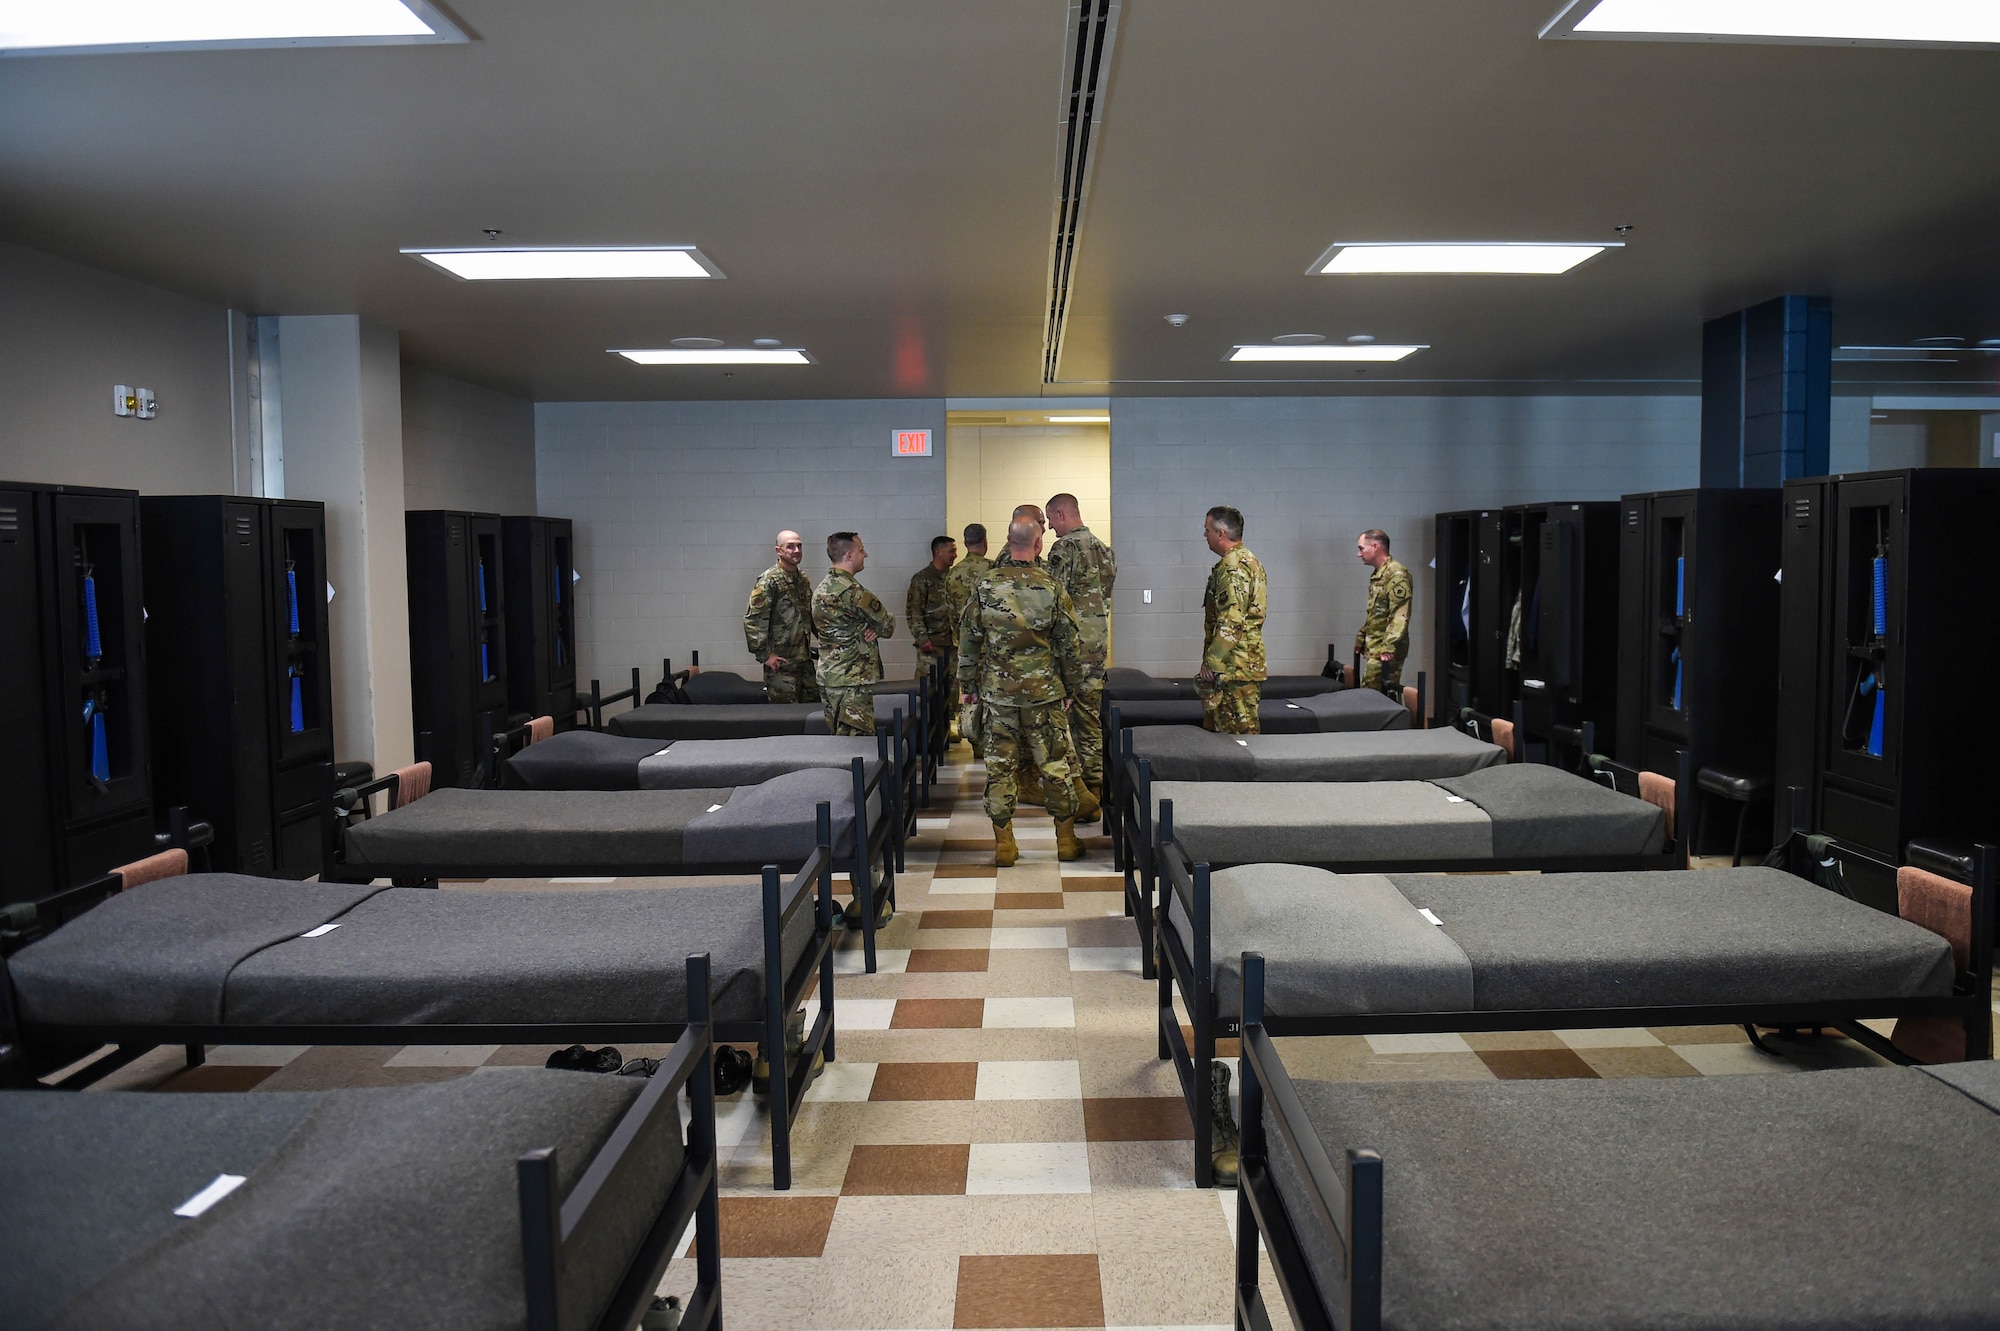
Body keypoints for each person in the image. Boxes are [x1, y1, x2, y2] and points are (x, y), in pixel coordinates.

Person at [958, 518, 1088, 867]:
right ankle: (1066, 841)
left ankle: (1004, 845)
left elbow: (969, 640)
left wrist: (967, 686)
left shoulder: (986, 586)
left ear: (1008, 540)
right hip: (1044, 695)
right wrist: (1071, 687)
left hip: (998, 696)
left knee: (1000, 769)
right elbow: (1070, 645)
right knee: (1055, 765)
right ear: (1038, 543)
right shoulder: (1052, 586)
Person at [1045, 492, 1116, 819]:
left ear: (1062, 513)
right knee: (1090, 719)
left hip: (1072, 648)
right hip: (1098, 645)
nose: (1050, 528)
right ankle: (1096, 787)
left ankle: (1080, 795)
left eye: (1050, 520)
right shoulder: (1104, 549)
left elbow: (1053, 601)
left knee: (1067, 721)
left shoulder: (1065, 549)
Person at [812, 531, 894, 737]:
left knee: (838, 743)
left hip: (829, 678)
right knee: (858, 745)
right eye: (861, 550)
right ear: (849, 555)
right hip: (852, 681)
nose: (865, 554)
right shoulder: (855, 593)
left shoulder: (820, 589)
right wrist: (874, 627)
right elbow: (887, 625)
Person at [1198, 505, 1267, 734]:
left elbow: (1232, 621)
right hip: (1241, 663)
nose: (1204, 534)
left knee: (1237, 739)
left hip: (1233, 668)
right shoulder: (1249, 561)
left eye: (1207, 529)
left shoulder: (1233, 567)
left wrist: (1212, 662)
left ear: (1221, 533)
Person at [742, 529, 818, 702]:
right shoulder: (769, 581)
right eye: (790, 547)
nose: (797, 550)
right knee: (787, 717)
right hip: (781, 664)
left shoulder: (802, 579)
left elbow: (811, 614)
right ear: (778, 551)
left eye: (799, 546)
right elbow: (753, 619)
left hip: (804, 661)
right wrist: (764, 656)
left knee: (812, 711)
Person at [944, 523, 995, 747]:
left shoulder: (952, 574)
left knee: (970, 698)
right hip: (992, 648)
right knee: (992, 698)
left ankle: (975, 742)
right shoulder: (994, 570)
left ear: (964, 543)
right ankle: (989, 746)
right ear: (985, 542)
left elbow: (951, 614)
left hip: (965, 648)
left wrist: (960, 640)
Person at [1354, 528, 1412, 694]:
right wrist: (1362, 637)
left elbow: (1400, 614)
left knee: (1374, 696)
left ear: (1376, 546)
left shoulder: (1396, 573)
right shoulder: (1380, 573)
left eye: (1361, 548)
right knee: (1370, 692)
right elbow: (1376, 613)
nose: (1359, 554)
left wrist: (1389, 646)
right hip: (1375, 646)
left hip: (1385, 649)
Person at [907, 532, 958, 690]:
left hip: (953, 647)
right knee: (927, 692)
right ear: (938, 552)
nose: (955, 555)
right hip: (931, 647)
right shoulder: (922, 579)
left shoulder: (955, 578)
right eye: (951, 551)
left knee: (951, 691)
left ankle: (949, 716)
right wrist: (922, 639)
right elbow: (913, 612)